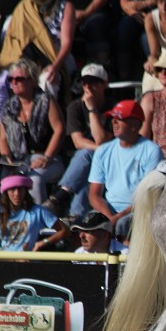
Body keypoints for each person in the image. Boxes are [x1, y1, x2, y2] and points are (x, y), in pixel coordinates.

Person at [43, 64, 115, 220]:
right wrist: (99, 149)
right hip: (89, 163)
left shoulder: (113, 107)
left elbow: (102, 140)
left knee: (86, 153)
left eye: (94, 82)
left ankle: (61, 196)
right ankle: (76, 216)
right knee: (87, 173)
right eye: (85, 83)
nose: (88, 87)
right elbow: (78, 141)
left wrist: (92, 110)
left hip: (111, 159)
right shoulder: (74, 107)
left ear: (104, 84)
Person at [0, 0, 76, 99]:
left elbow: (66, 44)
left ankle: (49, 118)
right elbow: (15, 43)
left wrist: (55, 67)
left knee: (47, 80)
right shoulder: (24, 7)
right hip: (28, 61)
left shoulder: (66, 7)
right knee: (11, 79)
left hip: (58, 59)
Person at [88, 100, 164, 241]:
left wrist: (117, 217)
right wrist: (109, 217)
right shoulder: (103, 151)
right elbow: (94, 194)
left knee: (123, 224)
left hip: (139, 211)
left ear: (135, 125)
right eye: (113, 119)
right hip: (109, 212)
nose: (114, 122)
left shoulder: (152, 151)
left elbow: (148, 196)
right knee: (87, 224)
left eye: (119, 119)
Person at [0, 59, 64, 204]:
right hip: (19, 160)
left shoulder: (46, 101)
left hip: (49, 159)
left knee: (34, 180)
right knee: (6, 180)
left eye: (19, 79)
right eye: (11, 79)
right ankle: (10, 218)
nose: (14, 82)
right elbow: (2, 138)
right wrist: (6, 157)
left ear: (33, 81)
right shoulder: (9, 108)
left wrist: (46, 157)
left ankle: (39, 219)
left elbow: (59, 130)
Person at [0, 174, 67, 251]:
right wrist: (9, 260)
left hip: (27, 262)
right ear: (6, 193)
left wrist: (43, 243)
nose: (17, 193)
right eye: (12, 189)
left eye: (20, 189)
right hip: (3, 262)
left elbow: (64, 230)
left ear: (25, 191)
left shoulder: (38, 211)